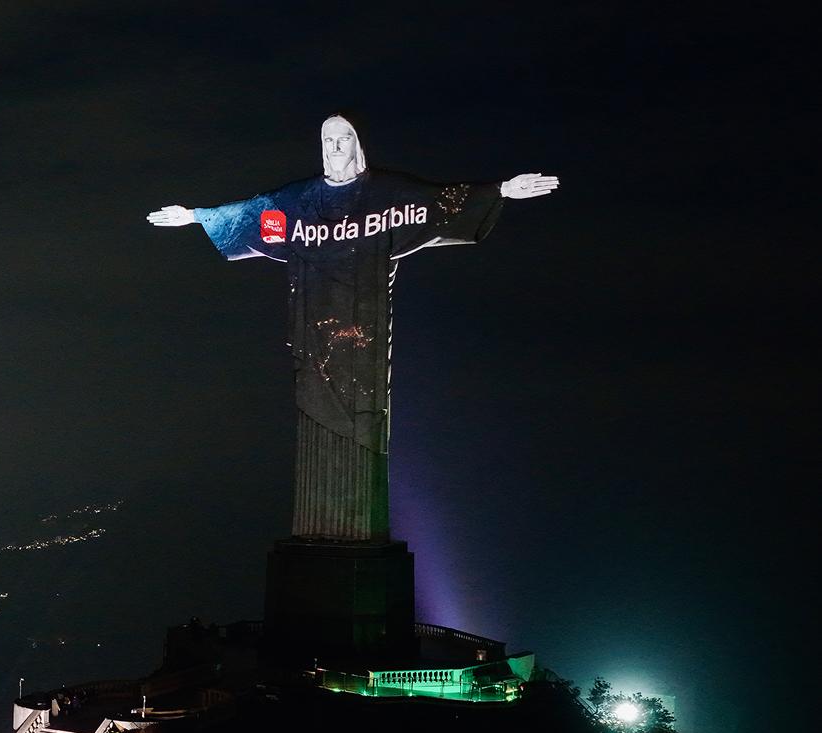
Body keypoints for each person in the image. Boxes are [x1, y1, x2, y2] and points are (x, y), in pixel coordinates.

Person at [148, 115, 556, 542]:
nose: (336, 146)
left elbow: (439, 202)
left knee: (363, 416)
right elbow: (252, 211)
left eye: (345, 138)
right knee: (314, 406)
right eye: (329, 139)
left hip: (366, 337)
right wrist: (195, 216)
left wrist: (501, 190)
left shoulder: (385, 193)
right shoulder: (300, 200)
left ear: (357, 144)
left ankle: (357, 531)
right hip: (312, 334)